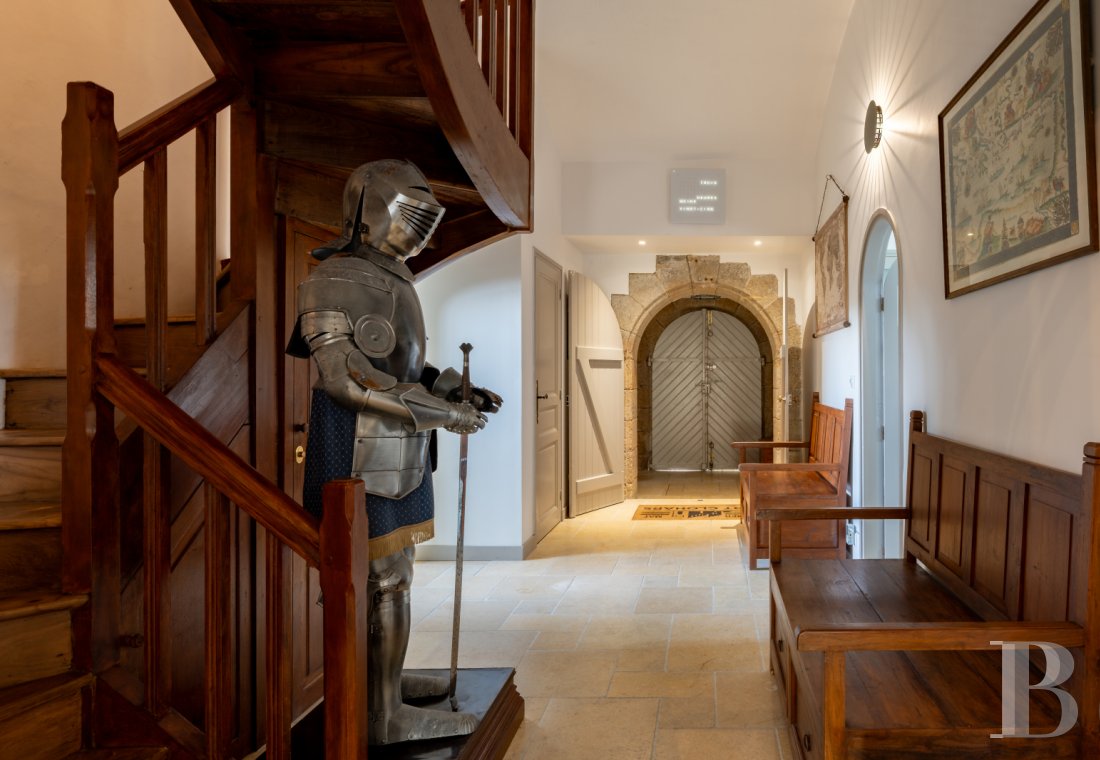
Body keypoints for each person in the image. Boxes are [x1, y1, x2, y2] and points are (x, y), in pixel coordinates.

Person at [286, 160, 501, 744]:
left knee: (393, 576)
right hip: (355, 453)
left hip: (396, 447)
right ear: (370, 210)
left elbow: (397, 367)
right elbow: (347, 381)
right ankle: (383, 717)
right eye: (414, 214)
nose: (423, 229)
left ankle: (388, 686)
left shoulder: (391, 277)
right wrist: (448, 414)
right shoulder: (337, 278)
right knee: (383, 582)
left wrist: (453, 387)